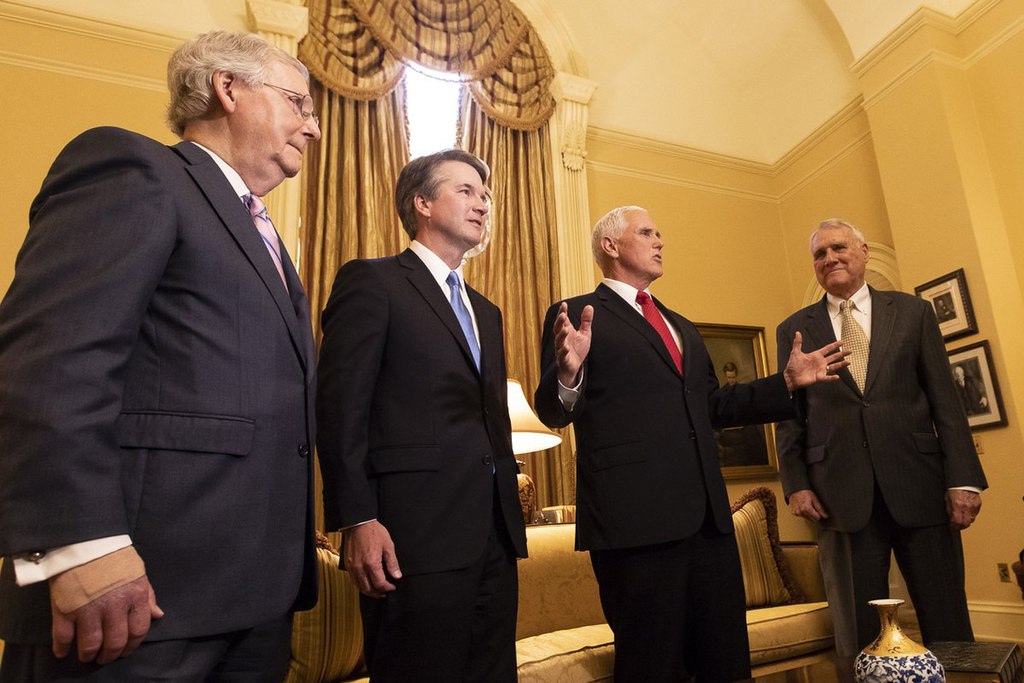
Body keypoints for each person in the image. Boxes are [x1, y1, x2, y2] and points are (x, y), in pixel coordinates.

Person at [0, 30, 321, 680]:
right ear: (228, 88)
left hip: (255, 598)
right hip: (134, 600)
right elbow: (49, 361)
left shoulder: (264, 235)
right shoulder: (134, 168)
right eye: (298, 103)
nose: (312, 128)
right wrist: (82, 543)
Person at [534, 206, 848, 682]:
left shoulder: (678, 323)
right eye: (646, 232)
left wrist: (785, 383)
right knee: (653, 665)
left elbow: (714, 407)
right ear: (611, 246)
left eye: (660, 232)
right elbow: (555, 412)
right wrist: (568, 373)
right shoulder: (577, 314)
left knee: (724, 662)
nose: (660, 240)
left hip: (707, 523)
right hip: (634, 527)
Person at [316, 150, 528, 683]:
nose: (482, 203)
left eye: (485, 194)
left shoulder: (487, 310)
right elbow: (341, 408)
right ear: (423, 203)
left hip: (494, 539)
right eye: (466, 191)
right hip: (412, 537)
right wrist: (357, 519)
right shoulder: (373, 282)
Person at [775, 218, 987, 677]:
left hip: (922, 486)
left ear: (863, 251)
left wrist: (963, 479)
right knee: (855, 630)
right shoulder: (793, 329)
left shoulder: (913, 313)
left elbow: (945, 402)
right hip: (839, 496)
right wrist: (795, 484)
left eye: (838, 247)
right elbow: (790, 415)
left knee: (947, 618)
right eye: (819, 254)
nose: (829, 258)